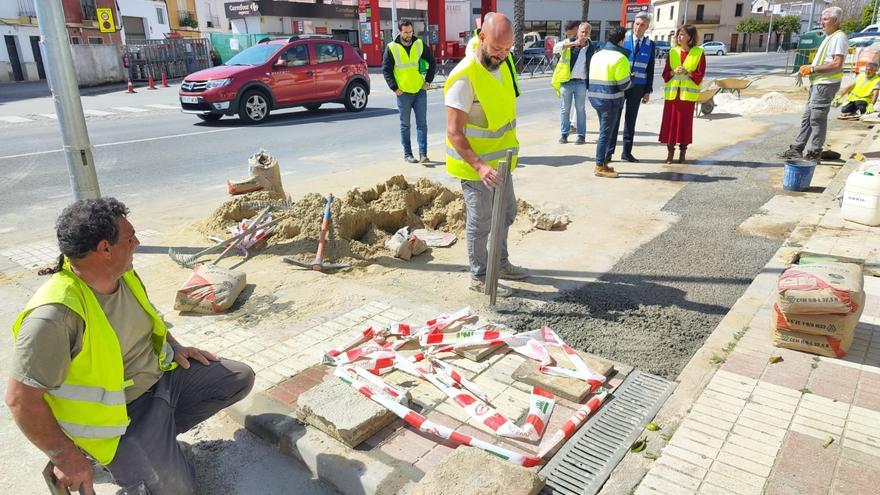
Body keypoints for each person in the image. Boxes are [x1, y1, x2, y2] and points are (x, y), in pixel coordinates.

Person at [6, 198, 255, 495]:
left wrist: (175, 346)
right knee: (177, 491)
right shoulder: (54, 316)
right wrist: (65, 457)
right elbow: (20, 400)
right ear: (104, 249)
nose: (137, 242)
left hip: (161, 384)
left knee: (238, 378)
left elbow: (151, 319)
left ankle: (154, 451)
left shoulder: (124, 274)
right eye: (130, 237)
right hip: (119, 421)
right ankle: (135, 457)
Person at [445, 12, 529, 296]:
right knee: (480, 223)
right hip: (476, 167)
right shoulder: (464, 77)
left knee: (506, 213)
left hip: (502, 163)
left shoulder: (504, 64)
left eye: (507, 49)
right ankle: (479, 276)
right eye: (496, 48)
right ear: (481, 37)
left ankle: (500, 263)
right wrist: (479, 166)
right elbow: (454, 131)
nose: (502, 55)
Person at [779, 7, 847, 163]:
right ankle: (797, 148)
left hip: (826, 84)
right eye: (821, 18)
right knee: (807, 117)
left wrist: (812, 68)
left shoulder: (839, 37)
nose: (821, 21)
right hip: (818, 83)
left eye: (825, 19)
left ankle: (814, 153)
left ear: (835, 21)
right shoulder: (829, 36)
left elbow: (837, 63)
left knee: (817, 119)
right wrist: (810, 68)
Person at [383, 20, 437, 164]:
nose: (408, 35)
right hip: (403, 93)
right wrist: (394, 88)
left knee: (422, 124)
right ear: (399, 31)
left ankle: (423, 154)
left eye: (410, 32)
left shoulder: (419, 44)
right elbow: (386, 70)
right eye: (406, 32)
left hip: (419, 91)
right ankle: (408, 154)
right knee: (405, 125)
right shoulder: (391, 48)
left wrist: (428, 81)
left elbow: (432, 62)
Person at [588, 26, 632, 178]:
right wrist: (630, 78)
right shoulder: (621, 58)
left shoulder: (597, 55)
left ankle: (604, 163)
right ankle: (599, 165)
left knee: (604, 131)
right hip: (611, 101)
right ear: (621, 40)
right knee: (605, 134)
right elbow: (623, 84)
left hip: (596, 99)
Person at [659, 24, 706, 164]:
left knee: (684, 125)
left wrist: (687, 72)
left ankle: (682, 154)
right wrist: (673, 72)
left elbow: (700, 74)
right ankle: (670, 154)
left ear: (690, 37)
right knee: (671, 125)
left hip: (687, 97)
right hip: (673, 96)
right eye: (679, 34)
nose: (679, 37)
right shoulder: (673, 52)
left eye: (683, 34)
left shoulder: (698, 53)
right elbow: (665, 73)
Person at [612, 12, 655, 163]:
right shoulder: (623, 41)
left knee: (631, 120)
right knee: (615, 119)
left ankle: (627, 152)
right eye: (636, 24)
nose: (638, 27)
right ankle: (609, 152)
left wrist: (647, 91)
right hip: (620, 85)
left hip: (638, 87)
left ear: (647, 27)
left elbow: (650, 69)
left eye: (642, 25)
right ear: (633, 24)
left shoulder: (650, 45)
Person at [551, 21, 595, 145]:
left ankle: (581, 136)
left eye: (586, 32)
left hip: (581, 83)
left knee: (580, 109)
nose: (584, 34)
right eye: (582, 32)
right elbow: (555, 49)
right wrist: (573, 44)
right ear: (578, 32)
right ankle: (564, 134)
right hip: (567, 82)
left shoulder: (591, 46)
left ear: (589, 33)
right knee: (565, 109)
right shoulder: (569, 42)